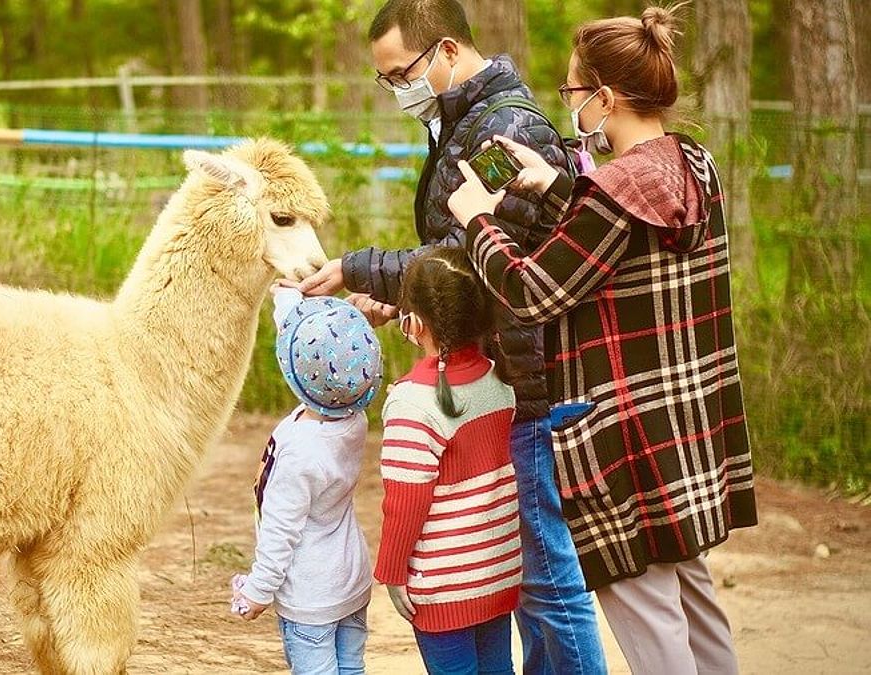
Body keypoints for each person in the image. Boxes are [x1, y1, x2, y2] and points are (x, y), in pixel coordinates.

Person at [293, 2, 607, 673]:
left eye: (400, 73)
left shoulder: (505, 130)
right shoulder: (463, 124)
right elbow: (453, 257)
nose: (397, 90)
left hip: (531, 385)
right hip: (502, 375)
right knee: (526, 583)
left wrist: (359, 267)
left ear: (444, 51)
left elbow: (474, 256)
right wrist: (399, 294)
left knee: (551, 587)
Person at [447, 6, 757, 674]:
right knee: (695, 601)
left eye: (571, 94)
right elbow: (631, 248)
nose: (570, 108)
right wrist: (561, 188)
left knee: (649, 617)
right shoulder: (691, 165)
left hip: (624, 444)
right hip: (685, 433)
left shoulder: (613, 192)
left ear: (605, 98)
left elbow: (532, 289)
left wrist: (478, 222)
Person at [375, 247, 518, 675]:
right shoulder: (500, 380)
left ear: (413, 323)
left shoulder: (412, 403)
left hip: (442, 583)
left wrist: (392, 571)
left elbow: (405, 502)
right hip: (496, 570)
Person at [233, 287, 383, 675]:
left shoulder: (300, 453)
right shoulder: (352, 418)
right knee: (352, 667)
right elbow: (317, 347)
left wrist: (257, 591)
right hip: (349, 580)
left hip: (310, 596)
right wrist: (286, 298)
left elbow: (280, 530)